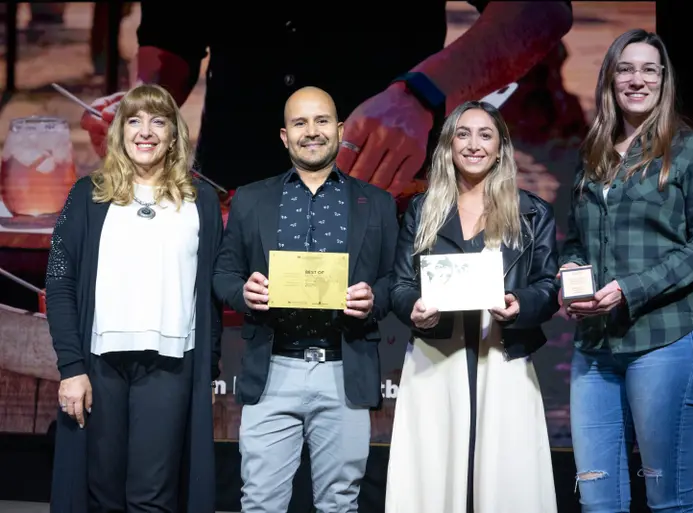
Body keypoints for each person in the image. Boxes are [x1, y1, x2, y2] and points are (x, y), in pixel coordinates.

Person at [80, 2, 573, 197]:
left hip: (390, 199)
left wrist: (422, 93)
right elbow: (171, 36)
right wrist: (147, 106)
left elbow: (540, 10)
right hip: (236, 198)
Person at [559, 29, 693, 512]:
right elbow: (576, 242)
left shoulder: (692, 150)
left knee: (668, 500)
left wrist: (629, 289)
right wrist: (570, 276)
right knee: (598, 502)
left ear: (663, 79)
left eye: (648, 70)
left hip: (667, 340)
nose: (637, 80)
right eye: (626, 69)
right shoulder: (592, 155)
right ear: (610, 79)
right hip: (596, 350)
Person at [212, 86, 399, 512]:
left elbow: (396, 281)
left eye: (321, 121)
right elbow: (223, 274)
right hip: (272, 370)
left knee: (339, 504)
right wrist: (243, 293)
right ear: (285, 136)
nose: (311, 131)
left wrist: (374, 298)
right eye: (300, 123)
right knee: (260, 503)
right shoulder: (251, 199)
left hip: (344, 370)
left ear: (340, 130)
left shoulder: (377, 203)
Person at [45, 84, 223, 513]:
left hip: (171, 366)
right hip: (100, 366)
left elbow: (211, 294)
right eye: (134, 121)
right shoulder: (88, 194)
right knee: (102, 497)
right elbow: (59, 281)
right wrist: (71, 368)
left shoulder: (200, 201)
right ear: (119, 132)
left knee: (152, 498)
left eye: (158, 121)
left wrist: (209, 369)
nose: (146, 131)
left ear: (174, 134)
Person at [387, 100, 560, 513]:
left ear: (500, 148)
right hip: (436, 357)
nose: (473, 145)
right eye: (462, 134)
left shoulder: (532, 213)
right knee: (430, 478)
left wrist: (520, 304)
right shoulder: (422, 210)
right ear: (448, 145)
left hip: (502, 356)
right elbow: (400, 285)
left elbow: (547, 286)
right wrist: (413, 308)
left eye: (485, 135)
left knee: (507, 480)